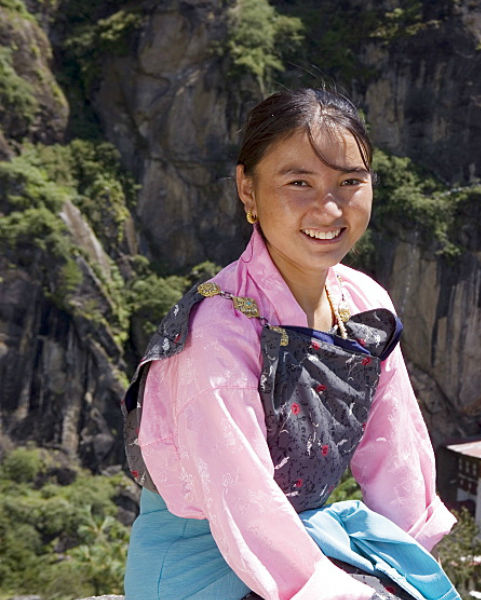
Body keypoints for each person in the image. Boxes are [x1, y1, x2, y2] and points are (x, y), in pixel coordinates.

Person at [121, 89, 458, 600]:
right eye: (299, 182)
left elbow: (397, 458)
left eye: (349, 182)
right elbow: (245, 502)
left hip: (309, 538)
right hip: (205, 560)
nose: (329, 208)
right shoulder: (218, 328)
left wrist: (405, 569)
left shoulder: (364, 302)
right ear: (248, 189)